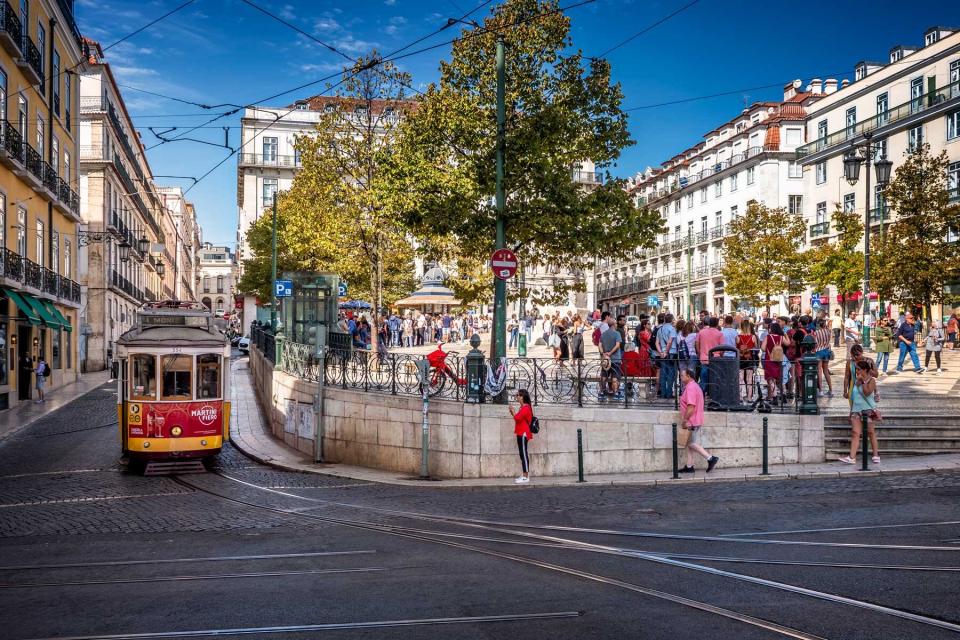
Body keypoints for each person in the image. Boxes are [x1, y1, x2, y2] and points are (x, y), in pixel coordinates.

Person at [677, 368, 719, 474]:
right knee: (689, 443)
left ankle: (710, 458)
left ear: (689, 376)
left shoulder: (691, 388)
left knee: (690, 443)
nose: (681, 378)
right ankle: (689, 466)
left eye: (682, 375)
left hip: (692, 421)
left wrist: (685, 420)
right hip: (696, 419)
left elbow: (691, 407)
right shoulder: (695, 386)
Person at [839, 359, 880, 465]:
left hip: (868, 410)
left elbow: (867, 393)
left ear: (865, 370)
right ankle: (852, 457)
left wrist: (862, 382)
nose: (857, 371)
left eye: (859, 369)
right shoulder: (856, 381)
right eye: (856, 369)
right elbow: (853, 396)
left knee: (870, 432)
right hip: (856, 410)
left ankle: (875, 454)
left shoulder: (871, 380)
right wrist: (851, 411)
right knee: (855, 433)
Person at [509, 389, 534, 483]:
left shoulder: (525, 408)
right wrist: (513, 412)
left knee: (523, 454)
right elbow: (517, 419)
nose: (517, 397)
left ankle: (526, 476)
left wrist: (513, 411)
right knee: (522, 454)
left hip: (524, 433)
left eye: (518, 395)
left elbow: (517, 418)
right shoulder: (522, 407)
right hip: (520, 432)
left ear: (522, 397)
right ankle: (524, 474)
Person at [762, 322, 790, 402]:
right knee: (779, 379)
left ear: (772, 329)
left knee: (770, 379)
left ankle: (774, 398)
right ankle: (783, 394)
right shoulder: (781, 337)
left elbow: (763, 348)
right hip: (778, 360)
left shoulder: (768, 337)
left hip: (769, 360)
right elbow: (788, 343)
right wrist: (785, 334)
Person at [694, 316, 723, 394]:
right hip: (716, 358)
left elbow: (696, 343)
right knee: (715, 378)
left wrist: (699, 352)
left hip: (704, 358)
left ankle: (701, 394)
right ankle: (713, 394)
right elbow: (722, 347)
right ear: (717, 324)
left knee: (703, 377)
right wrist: (721, 355)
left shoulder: (701, 332)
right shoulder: (719, 333)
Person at [599, 316, 623, 400]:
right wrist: (610, 353)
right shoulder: (617, 334)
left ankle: (601, 392)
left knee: (604, 375)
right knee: (615, 376)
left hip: (605, 360)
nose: (616, 325)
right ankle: (616, 393)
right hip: (615, 359)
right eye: (616, 323)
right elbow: (617, 345)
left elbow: (600, 345)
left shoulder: (603, 334)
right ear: (613, 325)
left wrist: (603, 354)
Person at [656, 313, 678, 399]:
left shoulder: (660, 330)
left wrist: (661, 352)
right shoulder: (672, 329)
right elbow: (669, 342)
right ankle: (669, 394)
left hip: (662, 354)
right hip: (671, 353)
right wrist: (666, 351)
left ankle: (663, 393)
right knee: (671, 374)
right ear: (672, 320)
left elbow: (656, 343)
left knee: (663, 374)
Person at [736, 320, 759, 400]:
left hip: (741, 359)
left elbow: (736, 348)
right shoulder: (753, 337)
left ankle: (740, 396)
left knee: (740, 378)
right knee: (749, 379)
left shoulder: (738, 337)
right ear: (749, 327)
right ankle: (749, 397)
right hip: (750, 359)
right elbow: (756, 348)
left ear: (741, 327)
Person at [812, 318, 834, 395]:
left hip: (818, 352)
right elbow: (829, 341)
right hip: (826, 351)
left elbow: (815, 343)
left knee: (819, 371)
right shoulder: (828, 332)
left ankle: (821, 390)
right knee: (826, 371)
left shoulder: (816, 333)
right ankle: (831, 389)